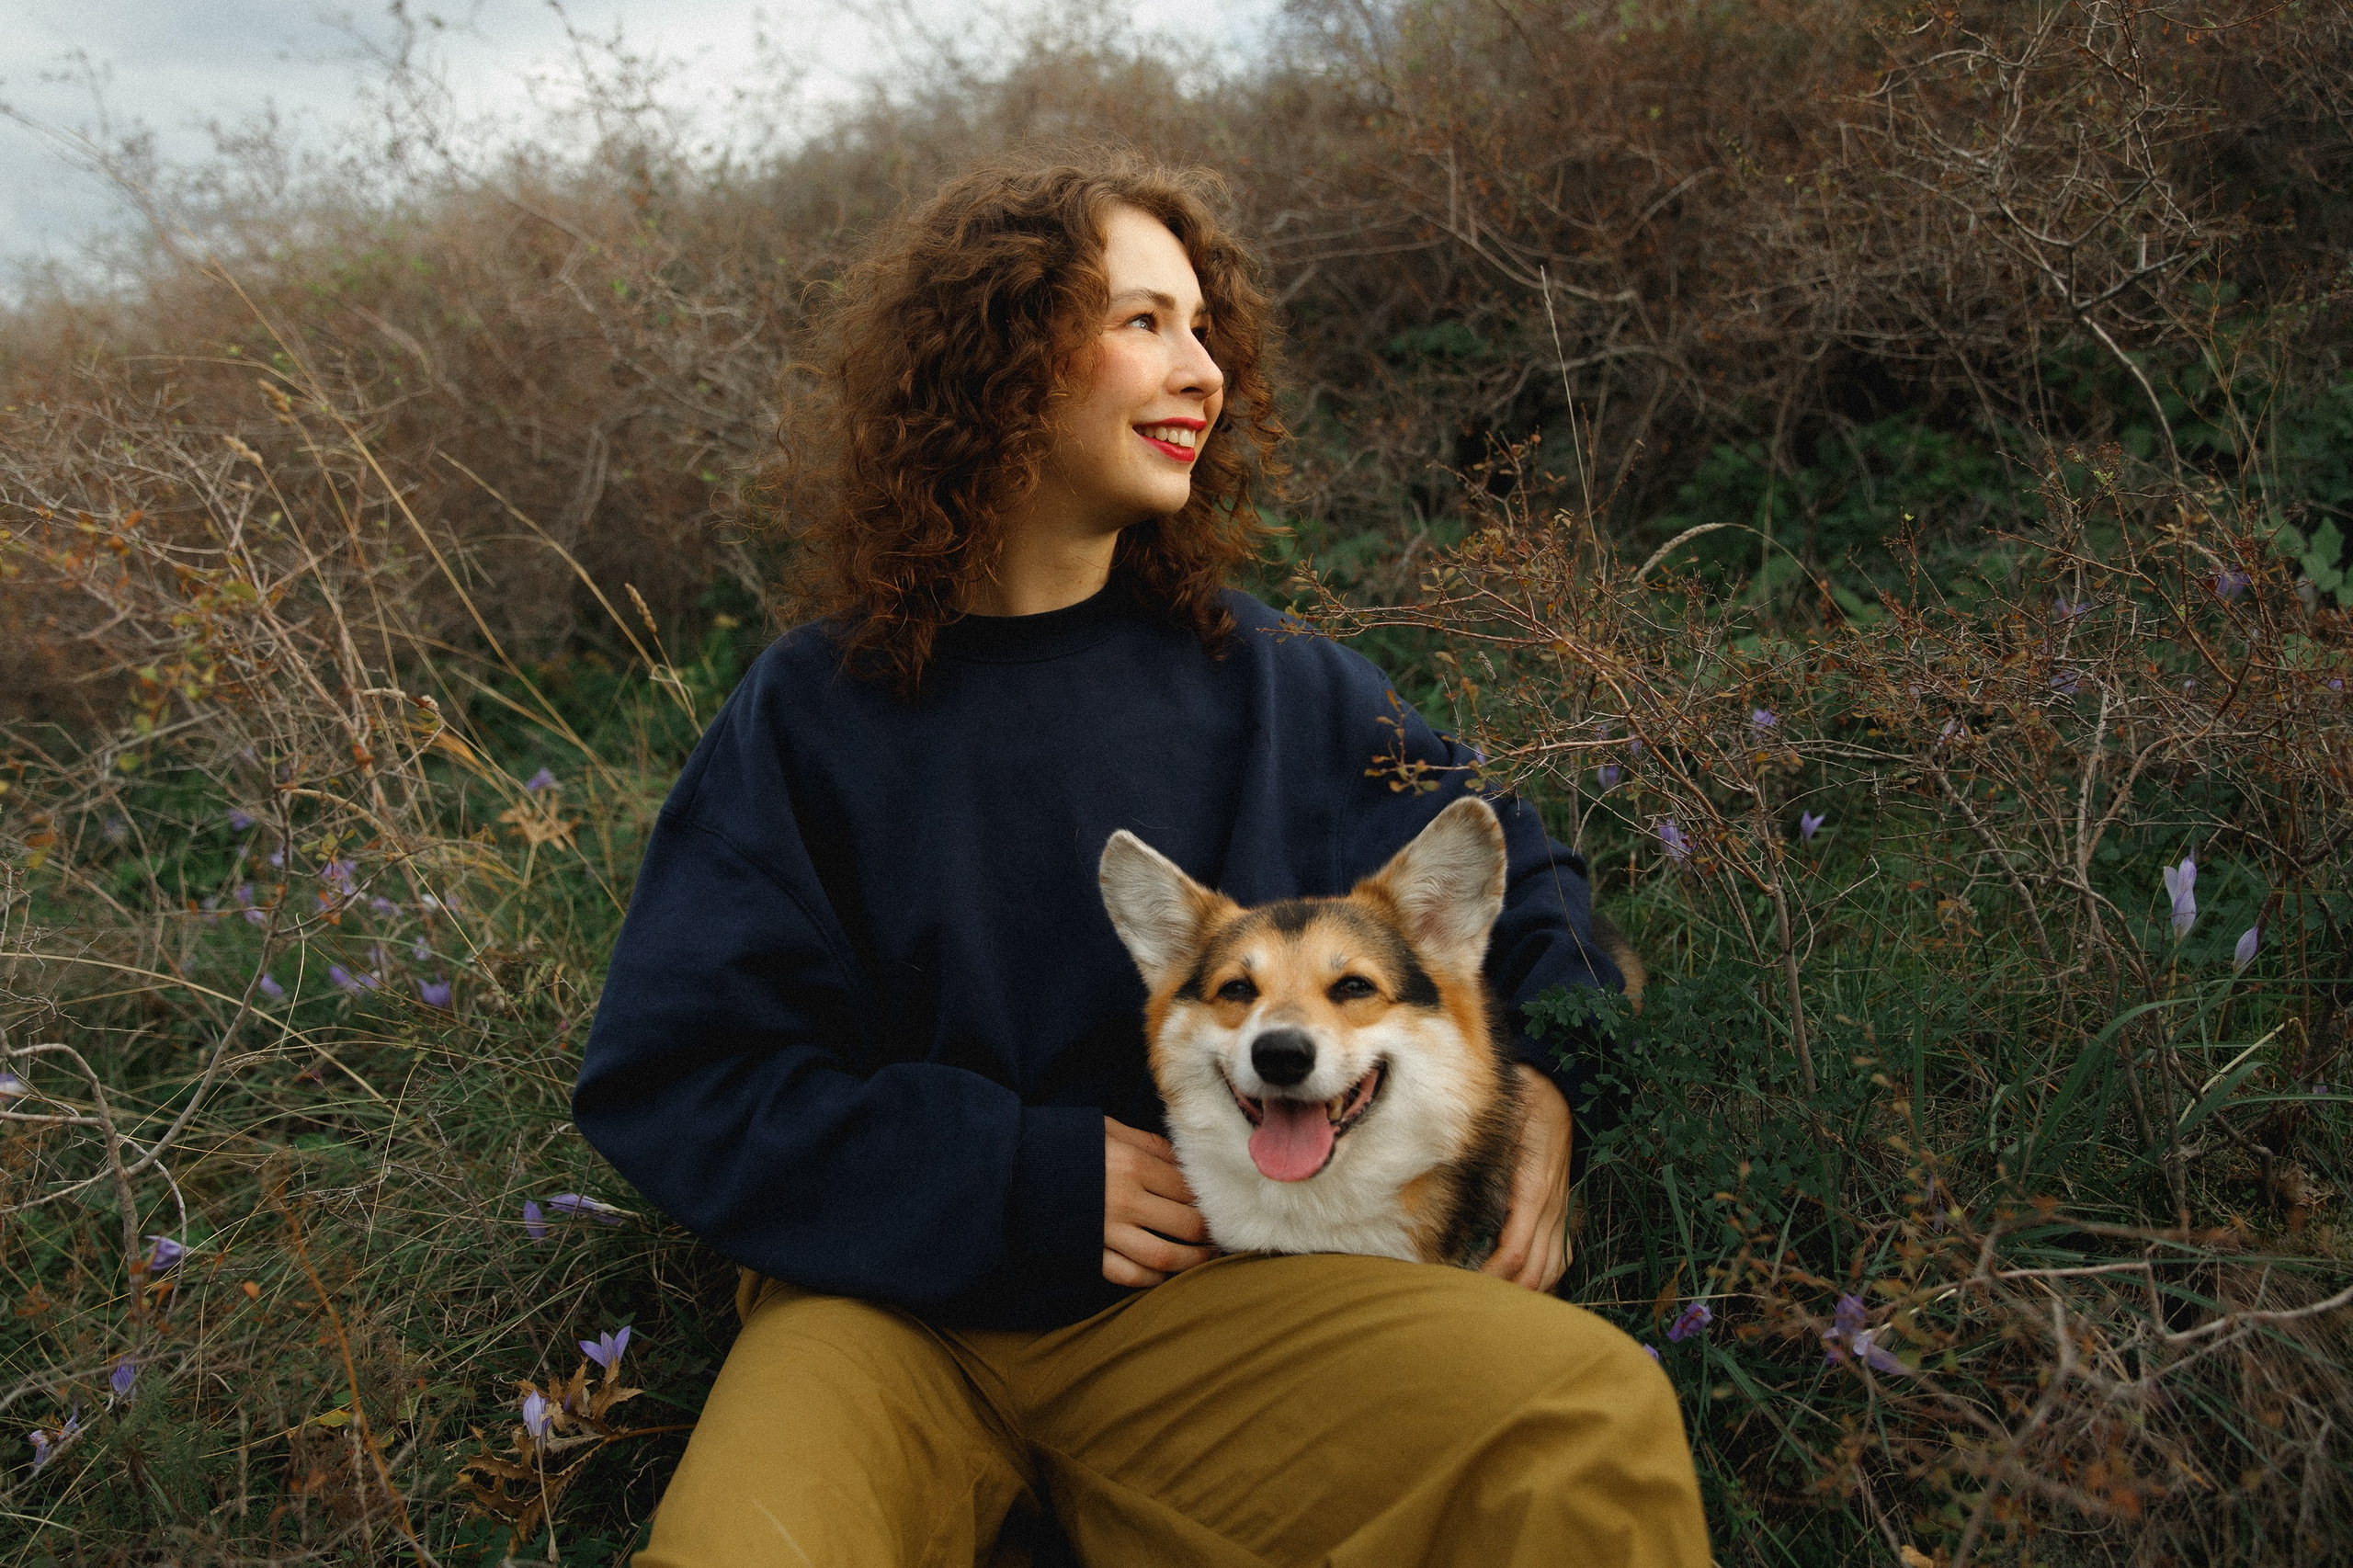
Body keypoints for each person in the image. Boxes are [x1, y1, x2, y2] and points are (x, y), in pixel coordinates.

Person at [574, 154, 1710, 1567]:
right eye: (1142, 323)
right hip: (877, 1313)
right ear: (1002, 358)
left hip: (1213, 1306)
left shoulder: (1277, 686)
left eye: (1202, 325)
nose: (1204, 370)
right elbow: (675, 1077)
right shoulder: (812, 714)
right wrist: (1023, 1180)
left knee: (1583, 1417)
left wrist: (1556, 1079)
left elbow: (1525, 882)